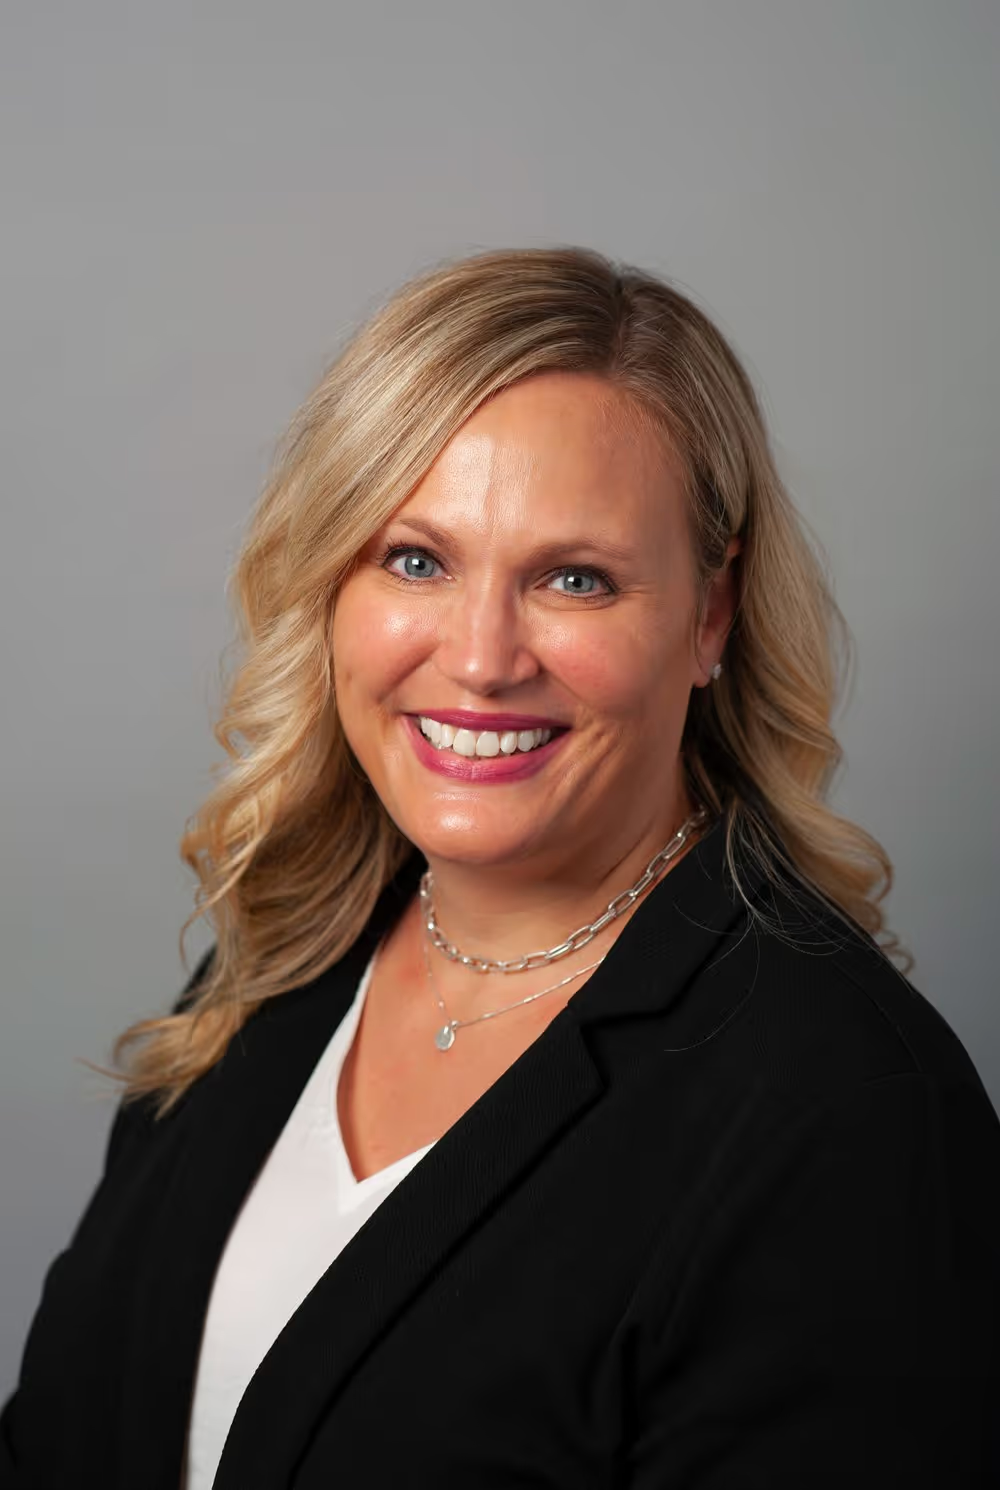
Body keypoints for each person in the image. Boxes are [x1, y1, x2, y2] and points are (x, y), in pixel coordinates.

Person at [2, 246, 998, 1490]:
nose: (479, 658)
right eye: (415, 558)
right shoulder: (276, 965)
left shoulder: (842, 1109)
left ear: (710, 615)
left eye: (574, 578)